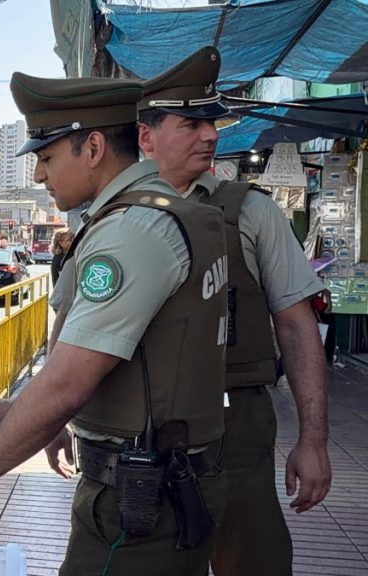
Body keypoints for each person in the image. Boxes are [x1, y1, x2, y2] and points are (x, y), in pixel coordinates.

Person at [0, 72, 230, 576]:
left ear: (94, 147)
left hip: (142, 498)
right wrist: (32, 413)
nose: (40, 176)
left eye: (46, 157)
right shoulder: (165, 212)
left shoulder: (133, 231)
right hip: (168, 479)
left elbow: (66, 382)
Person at [135, 46, 331, 576]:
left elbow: (296, 323)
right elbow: (72, 326)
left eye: (212, 122)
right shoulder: (114, 214)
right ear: (146, 136)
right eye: (192, 123)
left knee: (252, 560)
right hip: (139, 429)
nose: (211, 135)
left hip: (235, 426)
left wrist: (312, 441)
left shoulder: (250, 210)